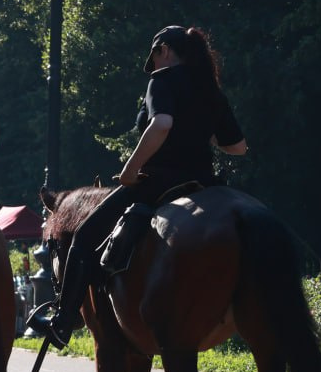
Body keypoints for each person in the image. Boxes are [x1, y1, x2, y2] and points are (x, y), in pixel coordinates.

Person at [27, 25, 248, 349]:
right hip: (203, 184)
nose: (153, 67)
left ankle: (63, 321)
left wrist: (129, 170)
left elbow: (162, 124)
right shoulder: (209, 88)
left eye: (154, 59)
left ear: (163, 50)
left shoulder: (162, 81)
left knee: (86, 236)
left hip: (156, 182)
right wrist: (205, 132)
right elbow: (238, 146)